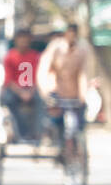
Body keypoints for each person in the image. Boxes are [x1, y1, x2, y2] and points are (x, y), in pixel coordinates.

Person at [37, 21, 91, 149]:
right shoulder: (55, 48)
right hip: (56, 92)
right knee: (56, 120)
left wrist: (83, 95)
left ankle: (79, 150)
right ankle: (56, 143)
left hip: (73, 94)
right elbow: (43, 71)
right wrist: (47, 92)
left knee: (80, 121)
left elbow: (83, 73)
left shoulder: (82, 50)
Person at [0, 27, 41, 140]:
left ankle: (38, 132)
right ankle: (21, 131)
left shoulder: (35, 56)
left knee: (42, 101)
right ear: (16, 41)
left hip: (32, 89)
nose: (23, 42)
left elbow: (38, 77)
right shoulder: (10, 57)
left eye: (25, 39)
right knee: (9, 100)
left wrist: (30, 92)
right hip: (14, 90)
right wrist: (22, 93)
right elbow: (9, 80)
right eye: (21, 39)